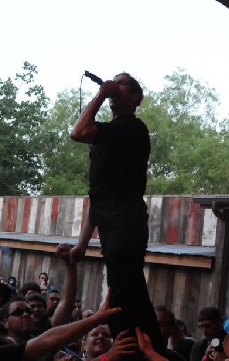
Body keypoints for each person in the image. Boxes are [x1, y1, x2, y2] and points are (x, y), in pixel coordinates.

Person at [69, 72, 164, 357]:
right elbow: (97, 196)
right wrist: (82, 244)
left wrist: (100, 94)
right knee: (126, 288)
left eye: (121, 83)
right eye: (113, 82)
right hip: (111, 220)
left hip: (127, 218)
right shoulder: (106, 136)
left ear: (136, 97)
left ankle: (137, 350)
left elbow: (77, 133)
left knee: (122, 292)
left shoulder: (132, 128)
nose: (114, 86)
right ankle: (149, 349)